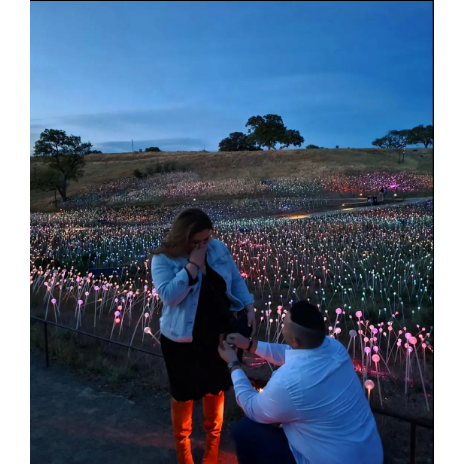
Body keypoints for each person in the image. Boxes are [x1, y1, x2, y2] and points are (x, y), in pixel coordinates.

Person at [151, 208, 256, 464]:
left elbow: (235, 278)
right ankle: (183, 450)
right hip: (181, 339)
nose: (203, 245)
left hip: (218, 335)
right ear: (182, 237)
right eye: (196, 242)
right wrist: (191, 267)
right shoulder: (163, 258)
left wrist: (248, 304)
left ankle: (213, 447)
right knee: (183, 394)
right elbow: (169, 296)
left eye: (206, 240)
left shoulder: (218, 249)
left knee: (215, 390)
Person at [218, 301, 383, 464]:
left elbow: (252, 408)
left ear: (295, 341)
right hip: (369, 453)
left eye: (284, 325)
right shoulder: (335, 348)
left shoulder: (290, 381)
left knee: (245, 430)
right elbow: (288, 352)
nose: (282, 327)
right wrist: (250, 345)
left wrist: (233, 364)